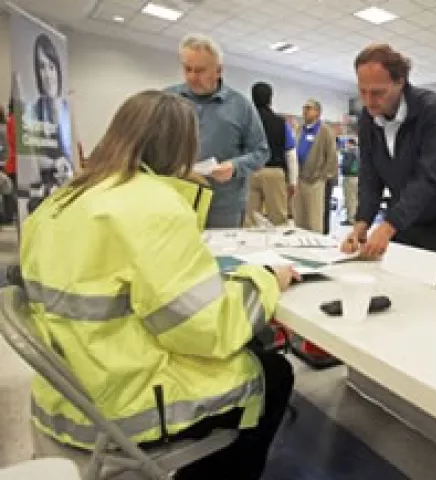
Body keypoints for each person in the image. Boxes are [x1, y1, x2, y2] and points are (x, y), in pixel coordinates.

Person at [19, 90, 296, 480]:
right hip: (129, 404)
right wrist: (265, 279)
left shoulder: (59, 201)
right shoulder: (154, 206)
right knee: (275, 372)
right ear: (182, 148)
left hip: (69, 394)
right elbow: (206, 328)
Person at [341, 44, 436, 269]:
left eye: (377, 92)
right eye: (362, 91)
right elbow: (370, 176)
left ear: (400, 82)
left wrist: (388, 226)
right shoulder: (368, 118)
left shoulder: (433, 109)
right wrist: (362, 223)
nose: (368, 101)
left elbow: (429, 175)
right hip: (408, 216)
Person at [166, 34, 269, 228]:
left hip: (223, 206)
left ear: (219, 70)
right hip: (175, 200)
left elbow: (261, 152)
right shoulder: (167, 99)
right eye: (187, 69)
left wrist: (235, 167)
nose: (191, 77)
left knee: (221, 257)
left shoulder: (240, 106)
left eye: (200, 70)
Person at [23, 34, 73, 192]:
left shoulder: (67, 109)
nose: (48, 75)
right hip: (45, 188)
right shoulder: (32, 111)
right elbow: (29, 158)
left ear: (58, 69)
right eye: (42, 67)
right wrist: (54, 163)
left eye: (51, 67)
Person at [245, 82, 298, 227]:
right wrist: (293, 181)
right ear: (270, 98)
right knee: (278, 217)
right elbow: (290, 153)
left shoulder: (246, 121)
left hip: (250, 171)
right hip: (274, 172)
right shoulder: (281, 123)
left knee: (249, 218)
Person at [293, 98, 338, 233]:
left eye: (308, 108)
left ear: (318, 112)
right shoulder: (299, 129)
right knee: (300, 218)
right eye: (304, 108)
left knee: (314, 218)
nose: (304, 111)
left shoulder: (325, 131)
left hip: (316, 180)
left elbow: (331, 156)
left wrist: (323, 176)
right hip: (300, 179)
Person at [341, 137, 359, 225]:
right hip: (357, 177)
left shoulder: (350, 152)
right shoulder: (359, 152)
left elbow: (346, 166)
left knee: (349, 199)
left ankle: (350, 219)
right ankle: (355, 217)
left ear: (350, 143)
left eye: (347, 143)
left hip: (349, 177)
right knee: (355, 199)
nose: (346, 145)